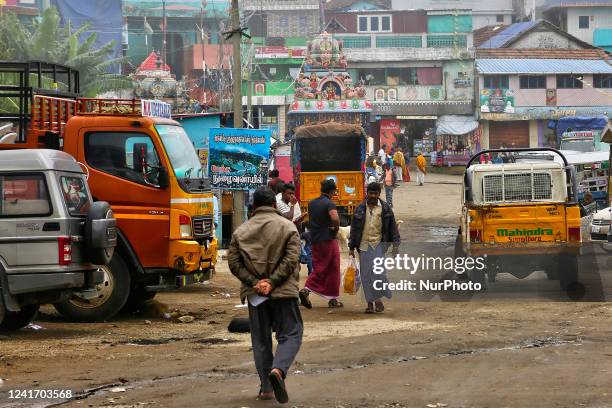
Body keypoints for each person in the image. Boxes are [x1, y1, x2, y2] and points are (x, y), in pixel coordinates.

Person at [228, 187, 303, 404]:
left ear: (253, 207)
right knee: (291, 333)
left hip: (255, 295)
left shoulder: (240, 232)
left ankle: (266, 389)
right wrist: (272, 281)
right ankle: (278, 370)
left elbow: (234, 263)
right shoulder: (288, 227)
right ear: (273, 205)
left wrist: (256, 283)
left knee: (261, 340)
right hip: (284, 292)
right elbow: (291, 260)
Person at [349, 182, 401, 313]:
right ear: (367, 193)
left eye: (375, 193)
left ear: (379, 194)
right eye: (370, 193)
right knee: (366, 276)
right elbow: (354, 229)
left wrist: (396, 246)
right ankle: (371, 304)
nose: (373, 195)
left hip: (378, 245)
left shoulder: (385, 208)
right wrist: (351, 247)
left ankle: (379, 298)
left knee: (378, 274)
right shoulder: (360, 208)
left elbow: (393, 228)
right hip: (363, 246)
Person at [299, 179, 343, 309]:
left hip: (315, 239)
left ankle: (330, 298)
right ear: (332, 191)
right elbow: (334, 218)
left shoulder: (312, 203)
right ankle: (309, 291)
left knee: (320, 265)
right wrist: (335, 229)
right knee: (332, 268)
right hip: (328, 239)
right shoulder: (329, 203)